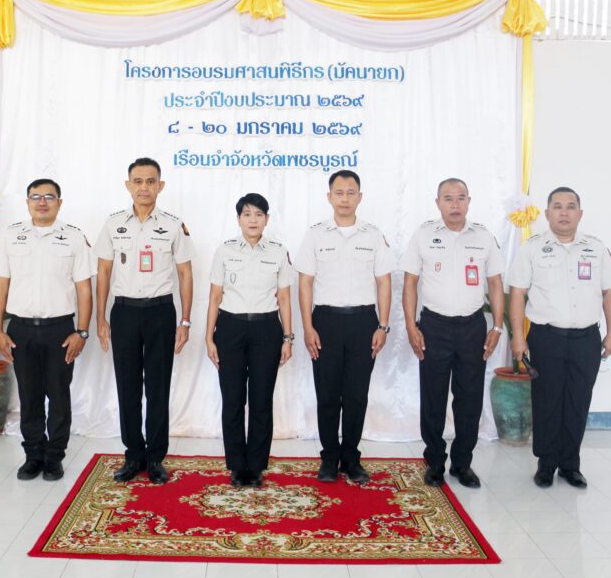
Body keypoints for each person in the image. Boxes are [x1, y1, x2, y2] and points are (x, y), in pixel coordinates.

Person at [508, 187, 611, 488]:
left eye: (570, 207)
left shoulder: (596, 248)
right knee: (546, 401)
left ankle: (570, 465)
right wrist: (518, 337)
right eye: (557, 207)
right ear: (547, 213)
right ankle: (546, 464)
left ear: (580, 214)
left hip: (586, 339)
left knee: (577, 401)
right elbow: (517, 293)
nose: (564, 212)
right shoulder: (532, 248)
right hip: (547, 337)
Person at [94, 157, 193, 485]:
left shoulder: (174, 225)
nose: (144, 187)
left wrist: (186, 321)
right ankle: (133, 454)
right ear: (128, 185)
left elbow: (185, 273)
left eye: (151, 181)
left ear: (160, 186)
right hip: (124, 312)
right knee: (128, 386)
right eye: (137, 181)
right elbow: (104, 271)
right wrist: (101, 317)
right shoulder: (113, 224)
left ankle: (155, 458)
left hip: (160, 312)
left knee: (158, 387)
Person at [401, 178, 504, 489]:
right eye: (448, 198)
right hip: (434, 327)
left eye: (461, 198)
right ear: (438, 203)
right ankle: (434, 462)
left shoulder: (483, 236)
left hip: (473, 327)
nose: (455, 204)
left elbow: (496, 283)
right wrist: (411, 326)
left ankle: (462, 463)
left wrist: (497, 326)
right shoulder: (424, 235)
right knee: (433, 397)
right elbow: (409, 283)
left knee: (469, 398)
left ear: (469, 201)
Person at [0, 178, 93, 482]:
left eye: (49, 196)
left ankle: (54, 456)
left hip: (60, 330)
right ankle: (33, 455)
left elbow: (84, 289)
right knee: (29, 395)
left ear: (60, 202)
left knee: (59, 396)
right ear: (27, 202)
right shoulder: (11, 236)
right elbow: (0, 286)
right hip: (21, 330)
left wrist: (82, 332)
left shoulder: (73, 237)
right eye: (36, 197)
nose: (42, 202)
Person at [295, 170, 393, 484]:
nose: (345, 199)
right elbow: (305, 283)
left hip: (364, 322)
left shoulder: (373, 235)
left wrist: (383, 326)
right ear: (329, 197)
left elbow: (384, 282)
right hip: (325, 322)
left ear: (360, 197)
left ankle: (351, 457)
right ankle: (329, 458)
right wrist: (308, 326)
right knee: (327, 394)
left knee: (356, 395)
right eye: (339, 193)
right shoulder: (315, 235)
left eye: (351, 192)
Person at [205, 193, 294, 488]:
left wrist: (288, 338)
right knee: (232, 399)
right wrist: (209, 337)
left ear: (267, 219)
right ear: (238, 219)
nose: (253, 220)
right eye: (247, 214)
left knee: (260, 400)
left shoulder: (278, 252)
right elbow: (215, 297)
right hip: (230, 328)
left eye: (258, 214)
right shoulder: (224, 251)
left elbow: (284, 298)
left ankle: (255, 466)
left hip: (266, 329)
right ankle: (236, 464)